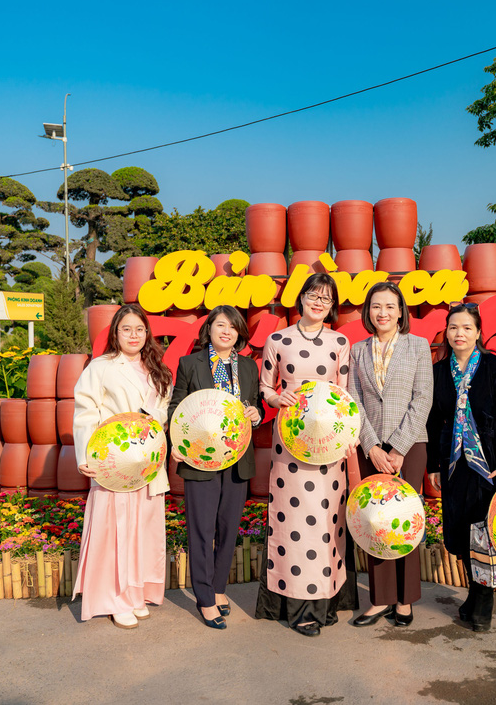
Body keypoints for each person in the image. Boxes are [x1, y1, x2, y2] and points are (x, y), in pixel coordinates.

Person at [255, 272, 358, 636]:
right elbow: (266, 386)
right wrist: (273, 397)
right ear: (300, 298)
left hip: (329, 444)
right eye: (313, 295)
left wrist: (348, 436)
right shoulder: (277, 340)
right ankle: (299, 609)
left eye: (326, 299)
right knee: (294, 524)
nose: (318, 302)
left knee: (327, 522)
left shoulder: (339, 341)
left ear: (332, 306)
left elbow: (346, 394)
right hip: (290, 443)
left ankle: (325, 603)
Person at [72, 304, 173, 629]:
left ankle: (136, 592)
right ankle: (116, 597)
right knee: (116, 529)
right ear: (115, 333)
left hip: (146, 462)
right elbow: (85, 411)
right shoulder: (100, 367)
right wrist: (86, 455)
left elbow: (164, 411)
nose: (133, 335)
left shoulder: (156, 368)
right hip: (113, 461)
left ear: (147, 334)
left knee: (144, 528)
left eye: (139, 329)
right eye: (126, 329)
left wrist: (152, 417)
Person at [168, 306, 263, 630]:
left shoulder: (249, 367)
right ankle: (205, 598)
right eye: (220, 325)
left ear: (239, 333)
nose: (226, 331)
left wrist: (256, 414)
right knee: (201, 529)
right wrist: (177, 443)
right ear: (208, 329)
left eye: (233, 327)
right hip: (201, 459)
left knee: (228, 529)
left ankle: (219, 588)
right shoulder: (189, 364)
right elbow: (175, 406)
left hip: (237, 459)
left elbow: (257, 405)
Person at [347, 282, 433, 627]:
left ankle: (405, 599)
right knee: (375, 521)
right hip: (371, 448)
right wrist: (371, 446)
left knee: (404, 521)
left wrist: (397, 448)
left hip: (410, 448)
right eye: (376, 306)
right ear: (368, 312)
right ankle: (380, 598)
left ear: (401, 312)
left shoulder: (419, 346)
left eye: (389, 306)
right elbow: (353, 399)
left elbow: (423, 398)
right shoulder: (357, 350)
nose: (382, 312)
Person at [425, 303, 496, 632]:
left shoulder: (492, 365)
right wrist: (433, 464)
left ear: (478, 333)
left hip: (487, 465)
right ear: (446, 333)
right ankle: (473, 595)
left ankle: (484, 603)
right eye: (453, 328)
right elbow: (434, 422)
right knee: (462, 533)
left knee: (486, 534)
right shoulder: (438, 371)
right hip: (452, 465)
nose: (459, 333)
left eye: (466, 328)